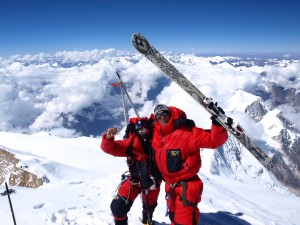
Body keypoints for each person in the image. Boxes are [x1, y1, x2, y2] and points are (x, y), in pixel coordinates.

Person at [150, 104, 228, 225]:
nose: (162, 117)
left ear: (171, 114)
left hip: (186, 187)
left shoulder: (188, 133)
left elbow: (214, 141)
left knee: (183, 222)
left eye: (165, 113)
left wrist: (218, 125)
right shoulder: (157, 135)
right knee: (173, 217)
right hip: (170, 186)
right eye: (158, 116)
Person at [100, 117, 161, 225]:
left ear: (149, 128)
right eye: (139, 129)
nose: (143, 131)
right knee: (117, 207)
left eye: (144, 128)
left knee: (149, 208)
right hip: (135, 179)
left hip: (152, 182)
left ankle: (147, 222)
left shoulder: (158, 141)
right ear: (136, 131)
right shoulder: (131, 143)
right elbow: (111, 148)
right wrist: (108, 139)